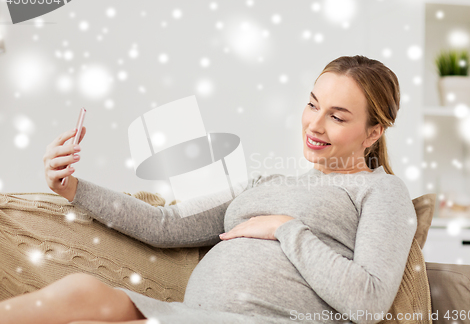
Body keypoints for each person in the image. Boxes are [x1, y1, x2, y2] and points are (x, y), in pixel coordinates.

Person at [0, 55, 417, 324]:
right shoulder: (266, 183)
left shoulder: (381, 192)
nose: (314, 124)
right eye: (312, 105)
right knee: (81, 292)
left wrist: (287, 229)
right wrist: (71, 187)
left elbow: (370, 302)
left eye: (338, 117)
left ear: (373, 132)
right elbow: (165, 225)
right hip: (190, 315)